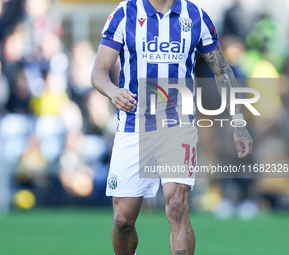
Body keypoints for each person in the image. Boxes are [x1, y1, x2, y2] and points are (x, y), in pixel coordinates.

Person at [91, 0, 253, 254]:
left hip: (178, 126)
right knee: (123, 221)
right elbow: (98, 70)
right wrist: (113, 92)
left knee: (177, 205)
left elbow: (222, 71)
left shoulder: (196, 16)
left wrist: (239, 122)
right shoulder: (125, 13)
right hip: (134, 125)